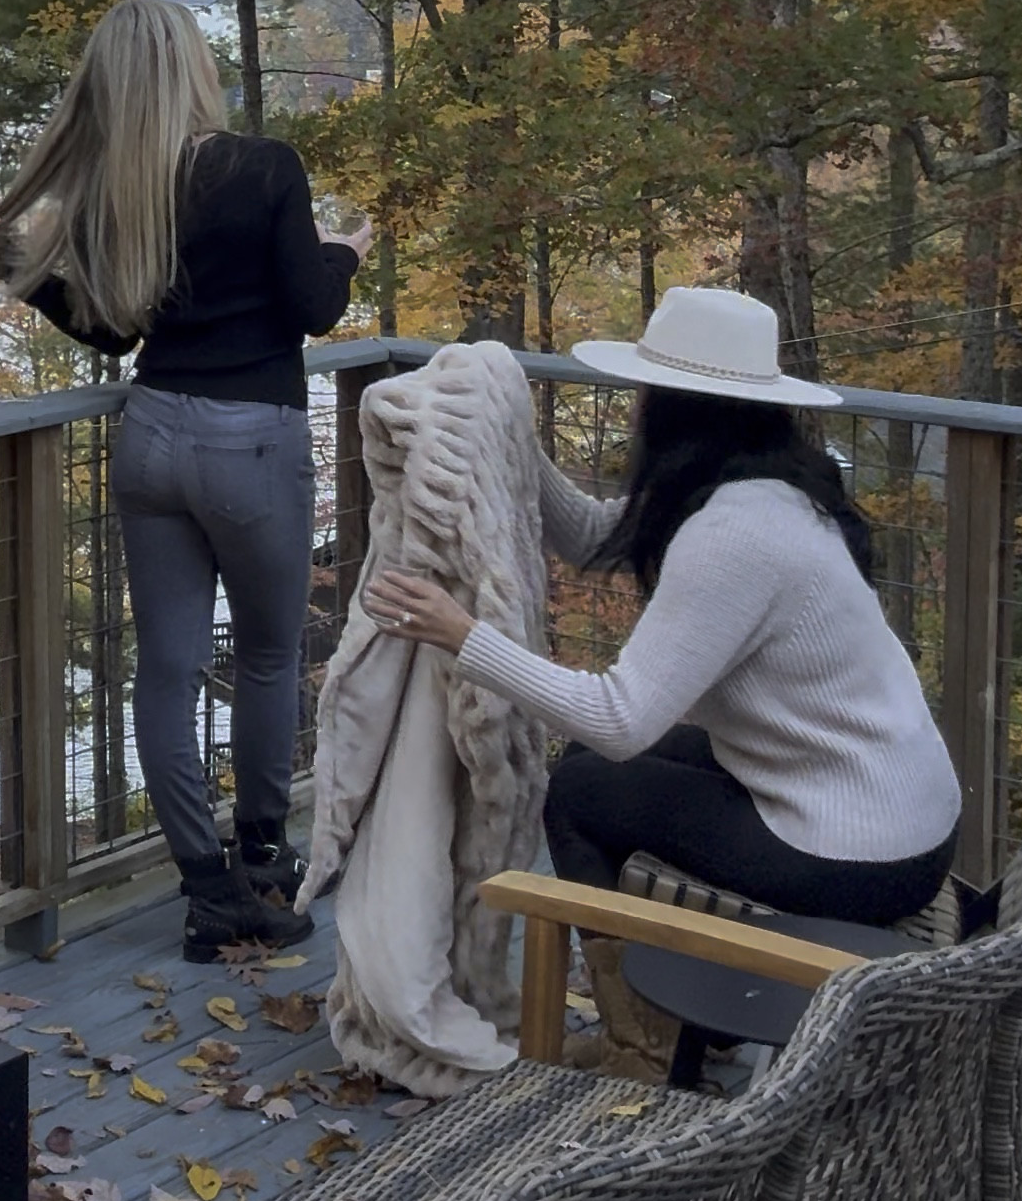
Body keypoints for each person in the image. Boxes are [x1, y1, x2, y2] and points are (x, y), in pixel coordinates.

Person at [366, 283, 960, 1054]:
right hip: (893, 816)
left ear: (677, 406)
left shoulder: (735, 533)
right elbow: (586, 536)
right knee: (589, 768)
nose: (638, 405)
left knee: (579, 791)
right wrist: (509, 435)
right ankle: (684, 1012)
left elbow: (622, 719)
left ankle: (644, 1038)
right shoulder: (758, 488)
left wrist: (462, 634)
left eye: (648, 389)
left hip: (859, 857)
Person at [0, 0, 361, 959]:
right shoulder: (265, 167)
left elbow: (114, 333)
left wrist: (23, 271)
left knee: (167, 673)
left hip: (152, 437)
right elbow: (313, 309)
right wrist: (345, 250)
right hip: (250, 444)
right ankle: (262, 860)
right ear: (192, 67)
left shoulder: (120, 190)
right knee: (266, 655)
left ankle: (207, 893)